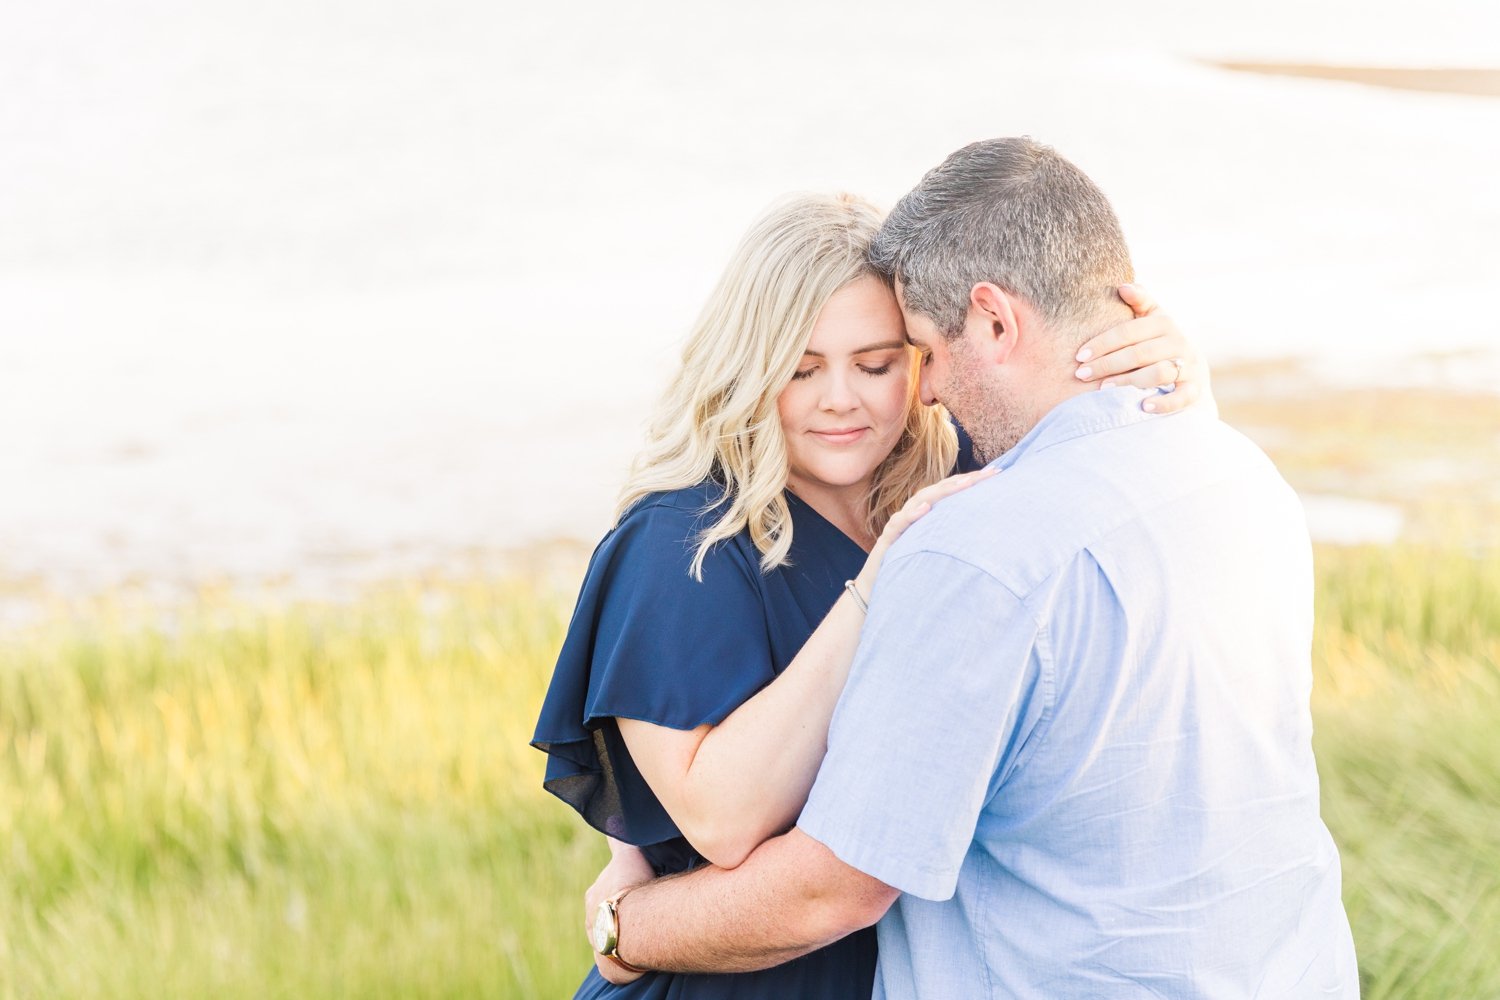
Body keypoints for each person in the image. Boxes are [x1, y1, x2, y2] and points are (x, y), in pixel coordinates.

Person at [583, 138, 1359, 999]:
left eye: (889, 360)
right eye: (803, 370)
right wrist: (626, 916)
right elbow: (712, 816)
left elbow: (1102, 490)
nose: (862, 396)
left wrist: (1174, 390)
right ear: (750, 363)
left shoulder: (963, 496)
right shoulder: (686, 541)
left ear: (986, 323)